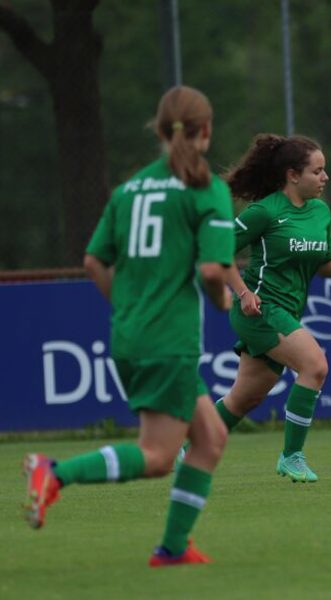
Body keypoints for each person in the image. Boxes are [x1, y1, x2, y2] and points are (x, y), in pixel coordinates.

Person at [23, 86, 234, 566]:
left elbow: (94, 261)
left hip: (132, 333)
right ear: (206, 131)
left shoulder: (128, 189)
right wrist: (224, 302)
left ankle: (174, 548)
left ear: (159, 130)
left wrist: (129, 307)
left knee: (210, 438)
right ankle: (54, 472)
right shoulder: (206, 189)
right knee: (159, 457)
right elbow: (211, 271)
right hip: (170, 340)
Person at [212, 134, 331, 483]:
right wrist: (243, 292)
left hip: (288, 311)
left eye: (325, 170)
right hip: (259, 310)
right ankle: (292, 456)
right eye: (317, 171)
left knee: (244, 398)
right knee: (315, 365)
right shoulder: (265, 211)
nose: (325, 178)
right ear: (293, 175)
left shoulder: (320, 212)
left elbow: (324, 263)